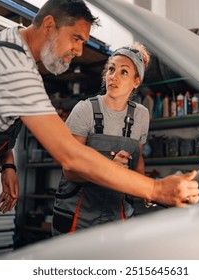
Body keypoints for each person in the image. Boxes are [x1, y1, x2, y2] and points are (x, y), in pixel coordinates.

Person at [0, 0, 199, 260]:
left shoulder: (21, 55)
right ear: (49, 25)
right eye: (76, 38)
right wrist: (155, 188)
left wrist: (8, 165)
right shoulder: (10, 61)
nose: (79, 50)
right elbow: (70, 156)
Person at [52, 43, 155, 235]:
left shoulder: (141, 115)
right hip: (79, 213)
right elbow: (70, 170)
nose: (113, 76)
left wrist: (147, 190)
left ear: (136, 81)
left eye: (124, 72)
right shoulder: (85, 109)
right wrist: (111, 168)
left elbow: (138, 159)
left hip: (118, 214)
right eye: (111, 69)